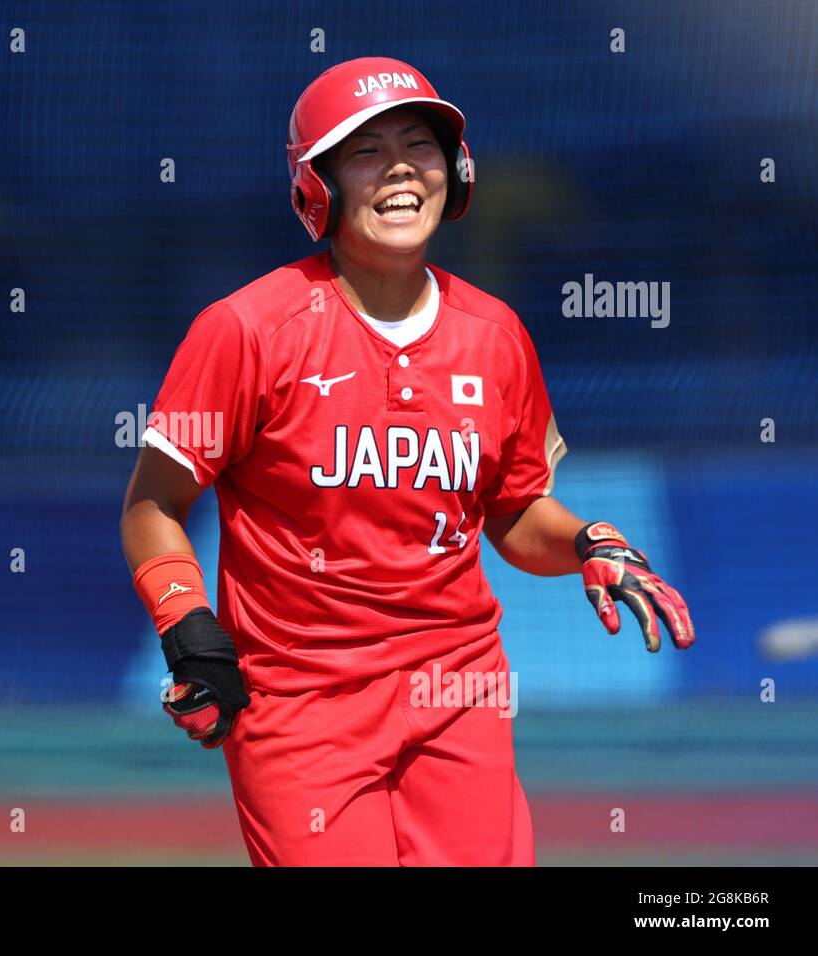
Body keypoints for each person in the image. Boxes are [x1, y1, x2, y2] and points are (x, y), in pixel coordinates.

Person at [119, 56, 695, 866]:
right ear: (317, 186)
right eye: (365, 150)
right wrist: (187, 628)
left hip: (459, 689)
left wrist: (588, 543)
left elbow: (513, 511)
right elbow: (153, 506)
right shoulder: (247, 330)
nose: (398, 167)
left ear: (453, 170)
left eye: (418, 144)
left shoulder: (495, 334)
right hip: (301, 704)